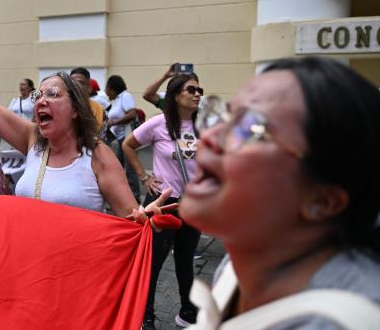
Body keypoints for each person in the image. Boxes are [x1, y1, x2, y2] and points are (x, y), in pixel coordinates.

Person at [180, 57, 380, 329]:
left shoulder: (342, 322)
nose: (209, 137)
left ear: (322, 201)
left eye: (250, 128)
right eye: (222, 115)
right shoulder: (238, 268)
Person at [0, 9, 166, 218]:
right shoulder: (33, 138)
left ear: (76, 109)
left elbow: (130, 219)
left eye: (52, 94)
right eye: (38, 96)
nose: (41, 101)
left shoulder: (98, 155)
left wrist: (147, 219)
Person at [122, 73, 204, 328]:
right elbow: (127, 145)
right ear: (176, 95)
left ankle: (187, 313)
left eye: (199, 90)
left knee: (185, 260)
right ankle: (145, 316)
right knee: (153, 263)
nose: (197, 94)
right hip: (162, 204)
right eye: (191, 89)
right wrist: (143, 176)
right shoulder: (159, 123)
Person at [105, 74, 141, 201]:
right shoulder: (118, 100)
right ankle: (121, 197)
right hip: (119, 139)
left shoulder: (126, 96)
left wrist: (114, 122)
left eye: (107, 88)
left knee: (129, 169)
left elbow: (132, 114)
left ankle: (135, 197)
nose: (106, 92)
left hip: (126, 138)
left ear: (112, 88)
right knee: (118, 169)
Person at [70, 67, 105, 134]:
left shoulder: (99, 110)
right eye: (72, 83)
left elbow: (101, 136)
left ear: (89, 88)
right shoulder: (60, 106)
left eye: (80, 83)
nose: (75, 86)